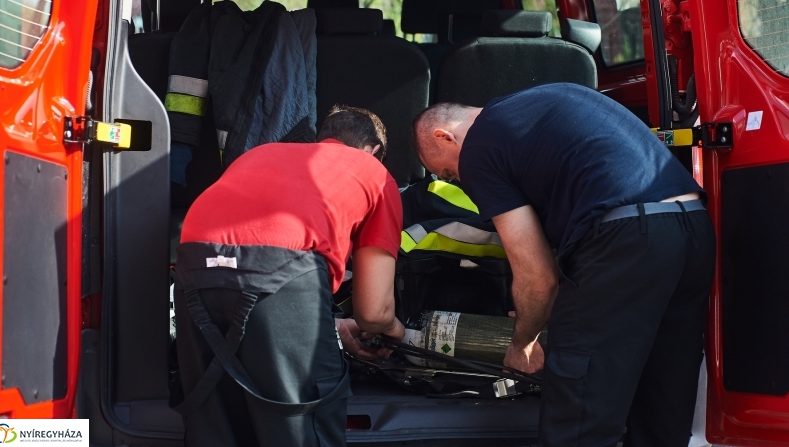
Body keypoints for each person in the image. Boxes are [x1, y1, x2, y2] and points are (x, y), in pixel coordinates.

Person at [411, 83, 716, 447]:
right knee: (663, 396)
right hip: (693, 228)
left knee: (579, 408)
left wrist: (522, 343)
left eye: (449, 175)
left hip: (627, 236)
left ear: (445, 136)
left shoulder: (478, 148)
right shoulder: (544, 102)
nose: (459, 183)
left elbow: (538, 276)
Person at [174, 106, 406, 447]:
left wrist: (330, 326)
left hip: (195, 265)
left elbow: (245, 266)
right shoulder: (374, 172)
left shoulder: (264, 152)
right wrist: (395, 331)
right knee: (302, 427)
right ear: (374, 151)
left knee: (217, 419)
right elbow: (373, 313)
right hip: (282, 269)